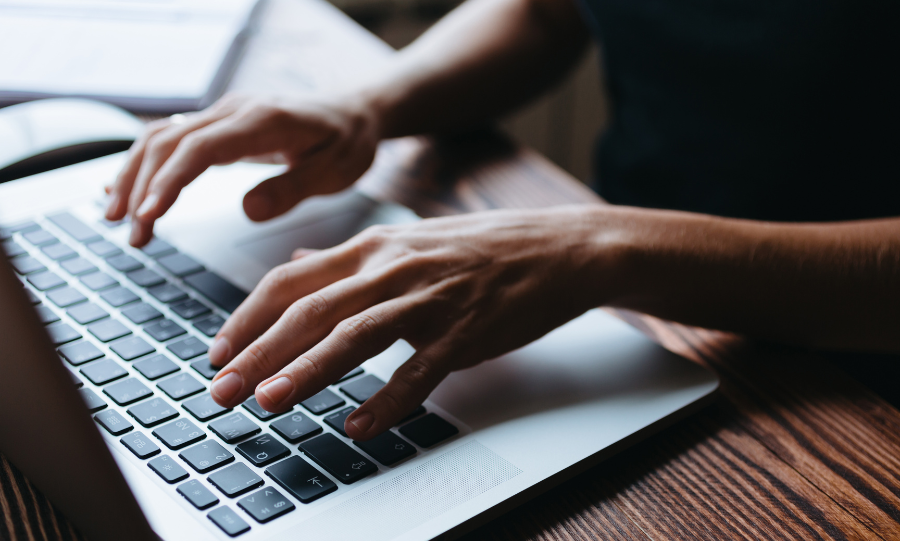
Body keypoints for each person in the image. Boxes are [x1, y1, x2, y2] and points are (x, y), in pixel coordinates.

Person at [105, 0, 899, 441]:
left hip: (850, 381)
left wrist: (600, 246)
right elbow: (549, 13)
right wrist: (366, 104)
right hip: (639, 309)